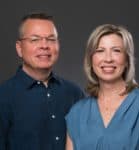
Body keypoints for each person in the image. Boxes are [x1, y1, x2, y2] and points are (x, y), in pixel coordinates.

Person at [0, 12, 85, 150]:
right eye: (35, 39)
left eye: (51, 39)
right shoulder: (3, 96)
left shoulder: (74, 94)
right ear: (19, 48)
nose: (44, 46)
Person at [65, 24, 139, 150]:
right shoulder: (77, 113)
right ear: (91, 60)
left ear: (127, 60)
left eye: (116, 51)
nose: (108, 59)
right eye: (100, 51)